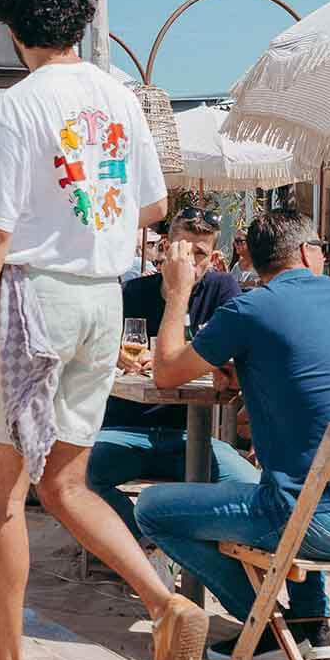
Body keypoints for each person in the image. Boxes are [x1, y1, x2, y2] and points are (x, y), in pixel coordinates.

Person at [0, 0, 207, 660]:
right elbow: (152, 207)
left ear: (12, 31)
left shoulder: (16, 107)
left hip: (34, 299)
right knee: (63, 482)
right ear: (80, 24)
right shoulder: (119, 96)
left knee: (0, 498)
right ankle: (164, 603)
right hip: (100, 300)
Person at [136, 212, 330, 660]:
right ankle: (313, 627)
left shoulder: (250, 310)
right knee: (289, 488)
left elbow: (166, 371)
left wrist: (177, 295)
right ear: (307, 252)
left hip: (320, 528)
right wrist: (248, 373)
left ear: (252, 259)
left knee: (152, 509)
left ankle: (267, 625)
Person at [89, 209, 249, 542]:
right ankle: (146, 543)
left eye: (199, 253)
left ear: (213, 258)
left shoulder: (221, 289)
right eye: (182, 250)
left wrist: (179, 358)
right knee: (77, 477)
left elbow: (235, 351)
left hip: (191, 435)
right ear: (165, 248)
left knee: (252, 485)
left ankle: (167, 544)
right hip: (125, 430)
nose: (189, 261)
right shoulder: (134, 292)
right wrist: (114, 353)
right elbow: (99, 345)